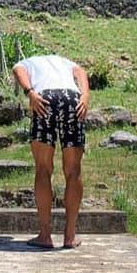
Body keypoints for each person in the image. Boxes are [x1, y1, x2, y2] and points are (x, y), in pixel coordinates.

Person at [12, 53, 90, 249]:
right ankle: (70, 236)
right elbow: (81, 71)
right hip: (71, 98)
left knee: (43, 168)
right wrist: (85, 96)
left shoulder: (28, 62)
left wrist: (30, 92)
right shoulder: (65, 62)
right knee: (73, 170)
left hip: (44, 98)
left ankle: (45, 235)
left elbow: (17, 69)